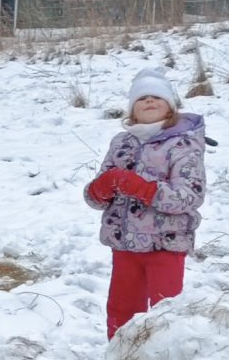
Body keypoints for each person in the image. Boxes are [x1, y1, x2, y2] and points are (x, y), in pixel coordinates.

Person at [83, 67, 207, 338]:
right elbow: (98, 196)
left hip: (165, 245)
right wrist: (99, 189)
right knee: (121, 310)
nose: (149, 101)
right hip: (124, 244)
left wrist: (143, 189)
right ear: (132, 110)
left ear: (170, 107)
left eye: (156, 97)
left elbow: (190, 195)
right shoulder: (121, 143)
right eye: (141, 98)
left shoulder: (182, 145)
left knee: (165, 312)